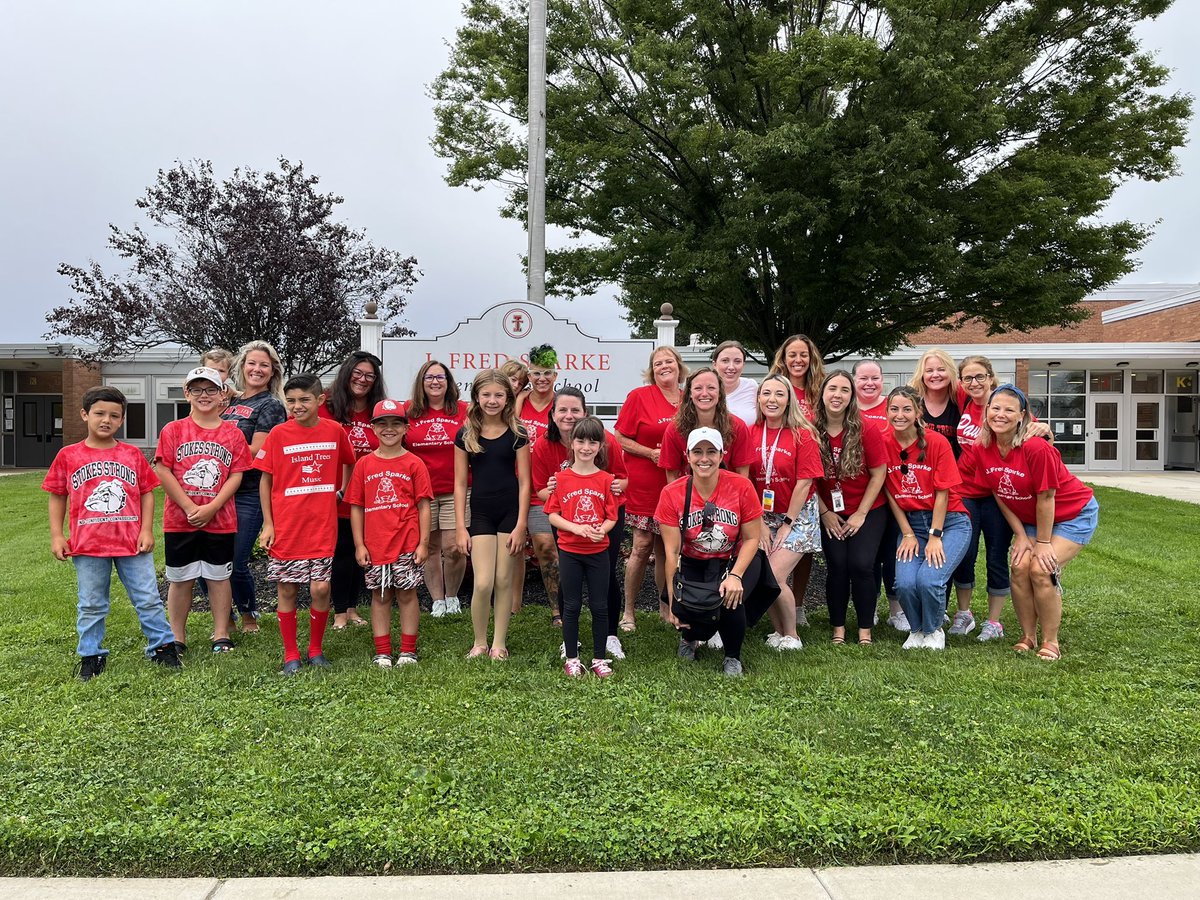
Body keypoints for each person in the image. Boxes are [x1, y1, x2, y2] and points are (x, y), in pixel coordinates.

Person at [44, 386, 180, 680]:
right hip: (88, 544)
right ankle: (91, 655)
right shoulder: (69, 455)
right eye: (99, 413)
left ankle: (162, 647)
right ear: (85, 415)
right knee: (91, 603)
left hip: (132, 543)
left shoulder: (131, 454)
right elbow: (57, 494)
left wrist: (146, 530)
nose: (106, 420)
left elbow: (146, 493)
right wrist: (57, 535)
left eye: (114, 415)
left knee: (147, 598)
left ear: (122, 420)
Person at [975, 384, 1099, 661]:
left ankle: (1050, 640)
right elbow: (1000, 493)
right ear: (986, 412)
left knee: (1042, 569)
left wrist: (1042, 543)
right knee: (1019, 567)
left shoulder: (1035, 447)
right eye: (995, 408)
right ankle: (1028, 636)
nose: (1001, 414)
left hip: (1072, 514)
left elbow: (1047, 497)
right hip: (1030, 519)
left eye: (1009, 409)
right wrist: (1020, 534)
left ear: (1022, 416)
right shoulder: (983, 447)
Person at [656, 427, 778, 677]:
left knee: (730, 598)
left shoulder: (741, 486)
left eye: (711, 451)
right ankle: (690, 638)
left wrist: (735, 575)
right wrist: (672, 600)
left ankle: (732, 656)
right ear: (686, 455)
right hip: (694, 559)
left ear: (722, 454)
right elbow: (672, 551)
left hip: (736, 557)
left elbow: (752, 538)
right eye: (697, 452)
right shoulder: (672, 493)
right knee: (690, 604)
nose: (704, 458)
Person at [951, 356, 1057, 642]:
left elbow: (1038, 437)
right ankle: (964, 614)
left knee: (997, 555)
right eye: (968, 378)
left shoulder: (1005, 405)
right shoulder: (964, 402)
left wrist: (1046, 429)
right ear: (961, 383)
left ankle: (994, 621)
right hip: (968, 492)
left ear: (991, 378)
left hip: (1001, 495)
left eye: (980, 377)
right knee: (965, 554)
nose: (974, 383)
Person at [255, 374, 355, 674]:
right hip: (287, 524)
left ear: (320, 400)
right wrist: (268, 524)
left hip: (322, 524)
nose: (297, 406)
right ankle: (290, 654)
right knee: (287, 590)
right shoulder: (278, 434)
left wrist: (342, 491)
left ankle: (315, 649)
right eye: (291, 401)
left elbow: (350, 461)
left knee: (321, 588)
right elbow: (265, 481)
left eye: (304, 400)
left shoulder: (335, 431)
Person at [154, 366, 251, 654]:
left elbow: (237, 474)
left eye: (210, 389)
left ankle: (221, 633)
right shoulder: (173, 430)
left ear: (222, 394)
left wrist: (212, 506)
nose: (204, 395)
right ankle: (177, 635)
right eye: (197, 389)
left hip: (220, 519)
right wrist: (188, 506)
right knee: (180, 578)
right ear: (187, 393)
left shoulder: (232, 434)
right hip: (179, 519)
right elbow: (163, 469)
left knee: (218, 577)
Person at [532, 386, 629, 659]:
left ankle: (610, 634)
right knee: (568, 571)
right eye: (562, 409)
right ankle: (569, 638)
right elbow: (539, 490)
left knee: (607, 571)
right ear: (552, 414)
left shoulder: (606, 440)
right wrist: (555, 491)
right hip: (565, 516)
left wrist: (612, 487)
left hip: (606, 517)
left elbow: (623, 478)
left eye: (575, 410)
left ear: (585, 413)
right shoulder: (543, 444)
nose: (569, 415)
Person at [881, 386, 971, 650]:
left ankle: (933, 631)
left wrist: (935, 535)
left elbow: (943, 493)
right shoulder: (884, 442)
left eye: (907, 409)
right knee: (905, 582)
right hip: (912, 524)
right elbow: (889, 492)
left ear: (918, 412)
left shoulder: (936, 442)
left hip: (949, 522)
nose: (900, 415)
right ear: (886, 412)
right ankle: (917, 629)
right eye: (894, 409)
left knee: (929, 579)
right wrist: (907, 533)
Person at [347, 399, 434, 668]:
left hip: (407, 542)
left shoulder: (414, 463)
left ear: (406, 428)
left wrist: (423, 543)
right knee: (381, 596)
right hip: (375, 545)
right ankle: (382, 651)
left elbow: (424, 507)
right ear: (373, 428)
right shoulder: (364, 465)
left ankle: (408, 651)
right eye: (382, 424)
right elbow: (357, 507)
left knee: (407, 595)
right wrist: (359, 544)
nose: (389, 429)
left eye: (396, 423)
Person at [455, 369, 531, 660]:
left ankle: (499, 642)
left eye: (499, 395)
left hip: (510, 513)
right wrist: (461, 527)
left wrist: (522, 523)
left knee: (503, 581)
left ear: (508, 398)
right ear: (476, 397)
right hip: (482, 513)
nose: (492, 400)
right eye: (486, 394)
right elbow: (460, 483)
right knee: (484, 581)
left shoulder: (518, 433)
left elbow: (525, 482)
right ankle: (479, 641)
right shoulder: (466, 434)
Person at [813, 371, 889, 646]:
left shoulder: (865, 428)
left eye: (844, 390)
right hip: (829, 510)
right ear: (822, 393)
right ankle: (838, 629)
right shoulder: (810, 429)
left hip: (867, 508)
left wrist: (860, 514)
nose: (837, 395)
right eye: (832, 388)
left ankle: (865, 629)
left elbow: (879, 474)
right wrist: (825, 513)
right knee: (837, 566)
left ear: (851, 397)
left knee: (861, 565)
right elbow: (807, 479)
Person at [614, 346, 687, 628]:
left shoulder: (687, 399)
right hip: (645, 483)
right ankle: (629, 612)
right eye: (658, 363)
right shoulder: (639, 397)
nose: (664, 367)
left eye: (669, 361)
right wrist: (650, 453)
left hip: (677, 483)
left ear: (679, 366)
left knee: (667, 547)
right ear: (651, 369)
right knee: (642, 546)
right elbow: (620, 436)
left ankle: (665, 609)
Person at [750, 374, 824, 650]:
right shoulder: (752, 431)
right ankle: (778, 631)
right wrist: (757, 520)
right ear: (758, 399)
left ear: (789, 400)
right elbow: (746, 478)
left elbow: (805, 482)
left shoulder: (802, 434)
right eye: (766, 393)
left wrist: (787, 523)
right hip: (763, 515)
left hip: (797, 515)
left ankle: (792, 635)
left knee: (774, 574)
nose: (772, 399)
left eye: (779, 394)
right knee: (759, 573)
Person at [545, 415, 620, 678]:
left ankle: (599, 658)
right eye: (581, 441)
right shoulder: (562, 478)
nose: (586, 447)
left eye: (593, 442)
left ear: (601, 446)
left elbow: (612, 516)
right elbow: (552, 514)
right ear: (572, 443)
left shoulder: (606, 479)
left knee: (600, 605)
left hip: (598, 552)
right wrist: (576, 528)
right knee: (572, 605)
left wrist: (603, 529)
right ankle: (572, 658)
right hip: (571, 551)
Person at [219, 341, 286, 633]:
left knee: (237, 559)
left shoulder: (271, 406)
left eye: (264, 365)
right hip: (218, 492)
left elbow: (258, 452)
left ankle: (248, 615)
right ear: (242, 366)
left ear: (272, 373)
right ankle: (226, 618)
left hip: (250, 492)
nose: (257, 369)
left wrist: (216, 449)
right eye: (252, 363)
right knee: (210, 558)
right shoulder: (230, 403)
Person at [320, 350, 387, 629]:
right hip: (332, 492)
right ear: (347, 373)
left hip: (367, 493)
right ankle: (338, 612)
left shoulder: (378, 411)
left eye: (369, 376)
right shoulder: (327, 406)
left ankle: (352, 608)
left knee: (361, 551)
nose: (362, 380)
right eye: (358, 373)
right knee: (341, 549)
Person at [403, 359, 468, 618]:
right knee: (429, 547)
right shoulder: (409, 412)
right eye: (429, 377)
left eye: (440, 377)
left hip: (457, 489)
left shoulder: (462, 411)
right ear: (421, 382)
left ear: (449, 382)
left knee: (454, 547)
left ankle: (452, 596)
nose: (435, 382)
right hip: (421, 493)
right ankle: (437, 600)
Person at [519, 345, 563, 623]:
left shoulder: (561, 403)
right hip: (522, 481)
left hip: (552, 484)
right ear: (529, 374)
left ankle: (560, 607)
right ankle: (555, 608)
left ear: (555, 374)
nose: (542, 378)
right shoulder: (518, 402)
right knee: (542, 546)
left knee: (556, 547)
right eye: (536, 373)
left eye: (547, 372)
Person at [659, 366, 754, 482]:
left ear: (720, 393)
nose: (704, 394)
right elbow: (672, 476)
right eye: (698, 388)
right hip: (689, 496)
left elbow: (742, 476)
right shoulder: (675, 429)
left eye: (711, 388)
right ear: (690, 393)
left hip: (728, 496)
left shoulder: (737, 427)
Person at [909, 349, 962, 458]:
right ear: (922, 375)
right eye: (929, 371)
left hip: (952, 470)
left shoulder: (961, 401)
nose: (935, 375)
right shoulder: (912, 402)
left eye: (941, 369)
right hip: (920, 469)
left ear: (951, 372)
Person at [769, 334, 825, 421]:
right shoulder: (772, 391)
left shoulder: (823, 390)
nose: (798, 360)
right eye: (792, 355)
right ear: (784, 359)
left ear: (811, 358)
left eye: (804, 355)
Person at [711, 340, 759, 423]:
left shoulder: (752, 386)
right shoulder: (705, 391)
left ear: (743, 365)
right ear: (714, 364)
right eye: (725, 361)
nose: (731, 367)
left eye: (737, 361)